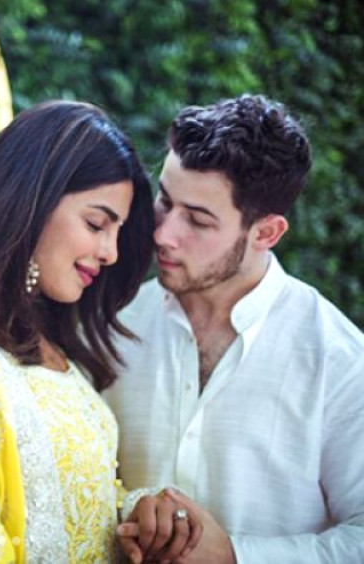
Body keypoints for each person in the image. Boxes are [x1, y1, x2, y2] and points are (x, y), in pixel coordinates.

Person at [0, 100, 200, 563]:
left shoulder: (46, 346)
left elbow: (68, 506)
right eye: (96, 223)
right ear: (30, 204)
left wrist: (135, 516)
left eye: (116, 231)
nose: (111, 252)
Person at [105, 94, 364, 563]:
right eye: (165, 200)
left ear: (266, 233)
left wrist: (236, 555)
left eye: (198, 220)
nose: (163, 233)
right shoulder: (114, 327)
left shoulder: (340, 361)